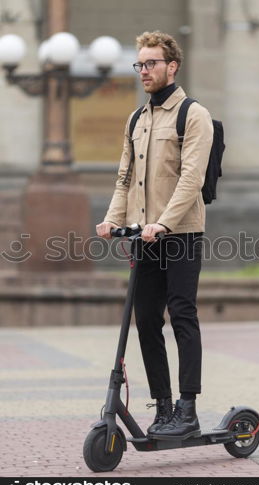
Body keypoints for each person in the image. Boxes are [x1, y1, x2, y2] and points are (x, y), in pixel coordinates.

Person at [96, 31, 213, 440]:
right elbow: (124, 177)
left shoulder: (193, 114)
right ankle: (163, 407)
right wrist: (112, 219)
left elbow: (191, 179)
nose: (144, 71)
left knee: (182, 313)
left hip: (180, 232)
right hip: (144, 238)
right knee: (146, 319)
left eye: (151, 63)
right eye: (139, 64)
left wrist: (163, 223)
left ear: (172, 66)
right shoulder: (136, 119)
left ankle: (188, 407)